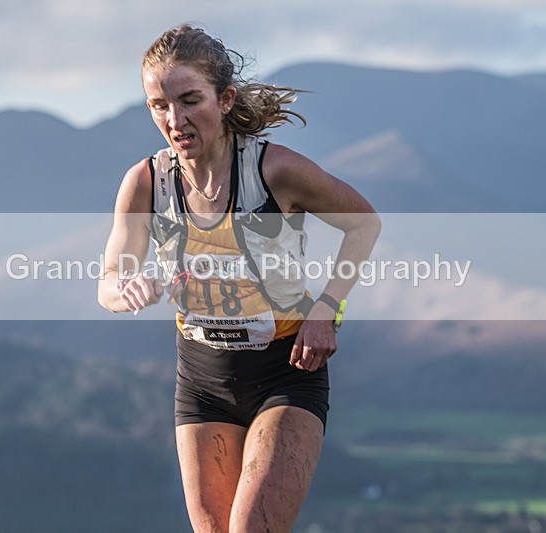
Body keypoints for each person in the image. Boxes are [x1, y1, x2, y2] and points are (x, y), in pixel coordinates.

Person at [98, 24, 381, 533]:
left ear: (225, 99)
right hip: (202, 382)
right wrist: (125, 288)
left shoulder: (275, 170)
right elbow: (109, 280)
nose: (175, 119)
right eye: (159, 105)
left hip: (285, 374)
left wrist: (327, 308)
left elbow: (363, 223)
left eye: (190, 100)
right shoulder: (146, 182)